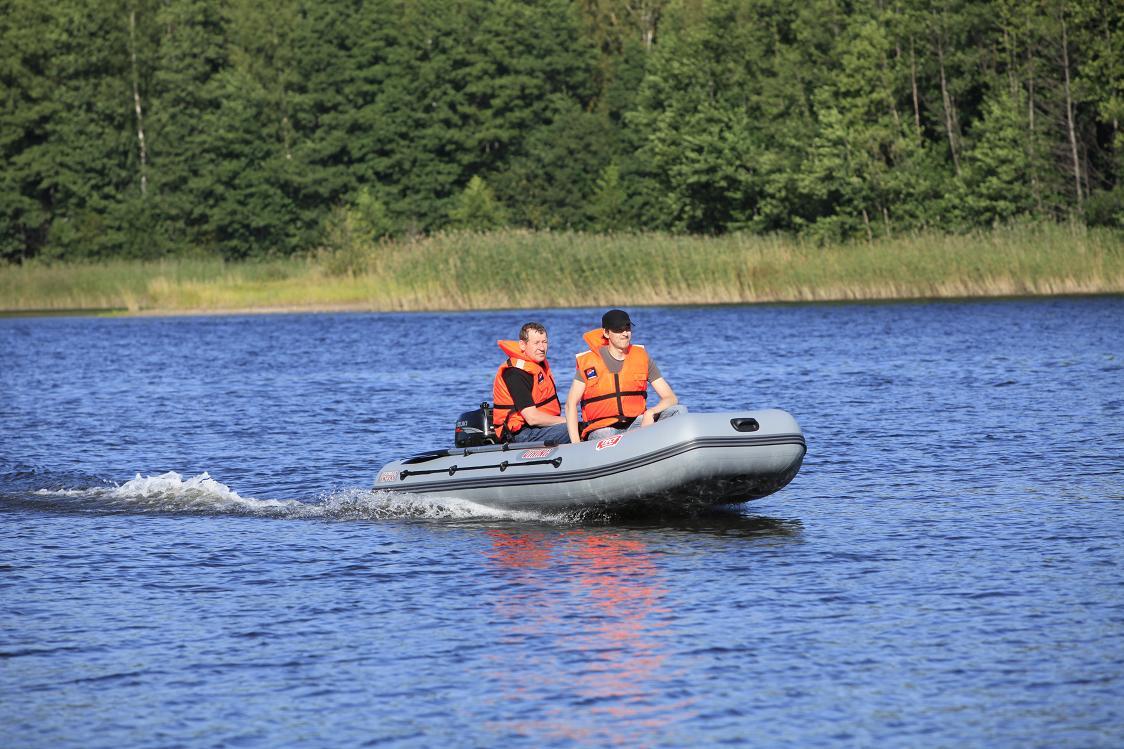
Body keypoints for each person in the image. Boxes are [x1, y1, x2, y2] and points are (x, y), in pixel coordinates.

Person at [565, 309, 680, 443]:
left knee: (678, 411)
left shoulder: (642, 357)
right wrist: (576, 445)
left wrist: (651, 413)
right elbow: (570, 404)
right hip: (603, 428)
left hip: (635, 423)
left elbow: (670, 398)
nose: (625, 334)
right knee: (607, 433)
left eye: (628, 328)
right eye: (618, 330)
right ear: (606, 333)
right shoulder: (588, 363)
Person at [492, 322, 571, 444]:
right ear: (523, 345)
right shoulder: (515, 373)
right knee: (573, 427)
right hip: (519, 435)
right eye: (536, 343)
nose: (542, 347)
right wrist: (568, 420)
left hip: (539, 428)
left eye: (544, 342)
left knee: (582, 425)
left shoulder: (537, 366)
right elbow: (532, 418)